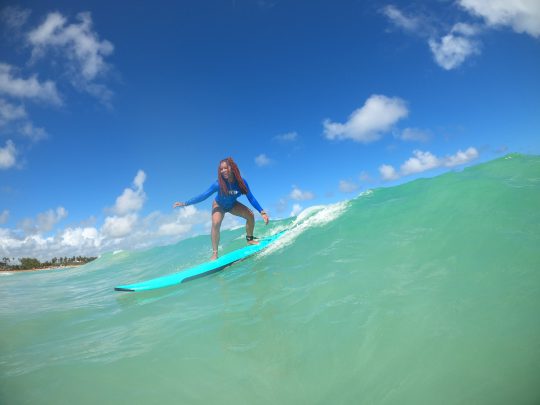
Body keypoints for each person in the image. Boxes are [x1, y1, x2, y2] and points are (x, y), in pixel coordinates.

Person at [173, 157, 269, 260]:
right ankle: (215, 253)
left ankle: (250, 240)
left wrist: (262, 212)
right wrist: (185, 203)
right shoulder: (218, 184)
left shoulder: (241, 182)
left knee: (250, 215)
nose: (223, 171)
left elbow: (251, 197)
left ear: (231, 168)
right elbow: (203, 195)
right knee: (216, 223)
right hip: (219, 205)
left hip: (232, 205)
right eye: (221, 169)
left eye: (225, 168)